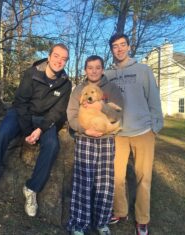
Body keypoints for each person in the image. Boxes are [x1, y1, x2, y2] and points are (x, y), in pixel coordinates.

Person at [0, 43, 72, 218]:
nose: (59, 61)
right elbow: (21, 102)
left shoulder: (65, 84)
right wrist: (28, 131)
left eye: (64, 59)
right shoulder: (32, 73)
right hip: (20, 113)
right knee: (2, 134)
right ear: (49, 57)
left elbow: (57, 112)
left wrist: (41, 129)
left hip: (44, 120)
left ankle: (31, 189)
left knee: (52, 145)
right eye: (56, 56)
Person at [104, 33, 163, 235]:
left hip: (143, 131)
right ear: (111, 50)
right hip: (118, 133)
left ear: (129, 47)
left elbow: (154, 99)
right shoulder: (108, 75)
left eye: (122, 45)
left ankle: (142, 219)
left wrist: (155, 126)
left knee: (143, 178)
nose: (119, 49)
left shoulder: (143, 70)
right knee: (116, 177)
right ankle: (120, 211)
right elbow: (102, 103)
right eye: (115, 46)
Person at [66, 55, 123, 235]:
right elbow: (71, 115)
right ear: (85, 70)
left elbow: (117, 116)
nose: (93, 71)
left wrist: (102, 107)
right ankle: (79, 224)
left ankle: (101, 222)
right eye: (90, 67)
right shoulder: (78, 90)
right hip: (85, 138)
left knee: (105, 182)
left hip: (106, 140)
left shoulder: (111, 88)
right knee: (83, 182)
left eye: (97, 67)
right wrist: (84, 130)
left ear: (102, 69)